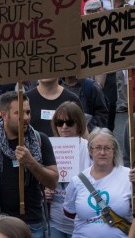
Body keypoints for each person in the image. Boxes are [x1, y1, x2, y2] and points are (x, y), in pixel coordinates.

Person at [0, 91, 57, 237]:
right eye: (19, 113)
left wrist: (31, 162)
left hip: (30, 223)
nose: (26, 118)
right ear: (4, 114)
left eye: (28, 112)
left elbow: (52, 181)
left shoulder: (40, 140)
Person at [63, 128, 135, 237]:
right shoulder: (77, 181)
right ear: (91, 150)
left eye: (107, 148)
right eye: (98, 148)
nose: (102, 152)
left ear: (114, 150)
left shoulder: (128, 175)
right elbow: (69, 212)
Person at [45, 102, 91, 238]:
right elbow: (41, 177)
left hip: (82, 221)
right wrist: (45, 190)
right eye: (59, 122)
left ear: (79, 124)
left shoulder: (89, 148)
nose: (64, 127)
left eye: (69, 122)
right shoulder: (49, 147)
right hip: (55, 220)